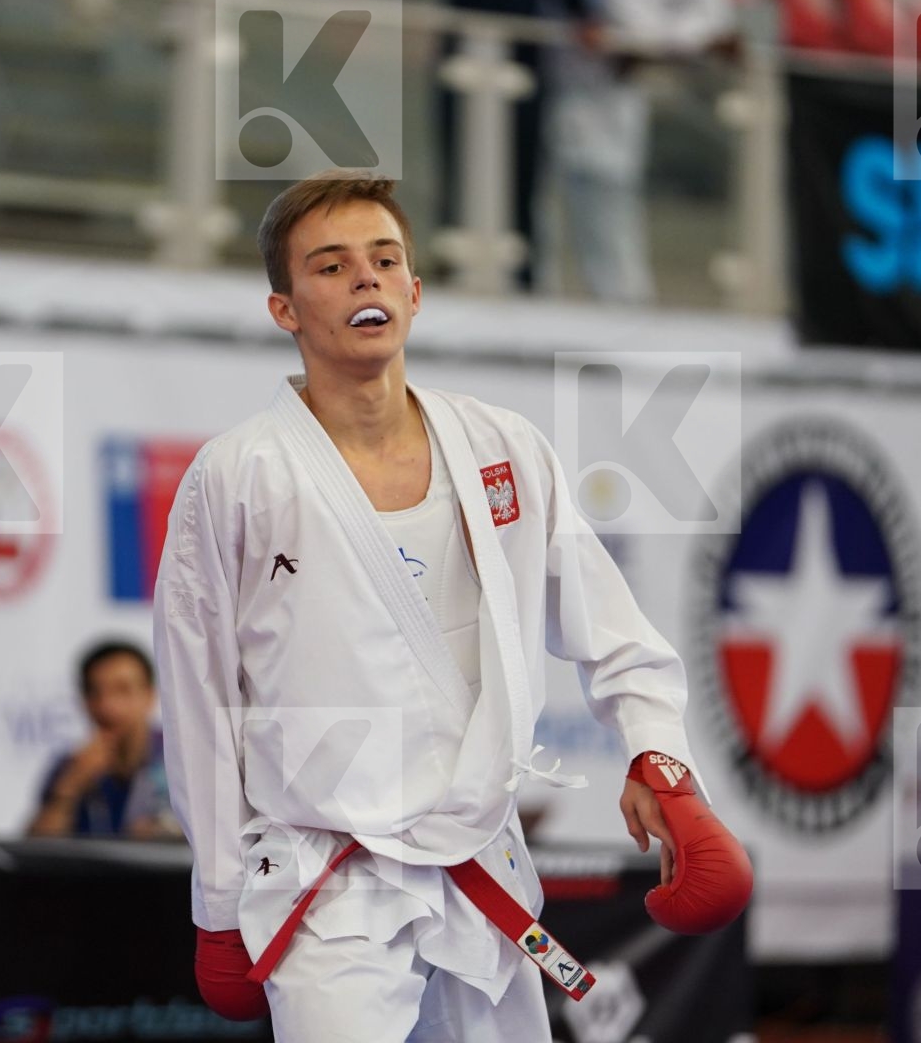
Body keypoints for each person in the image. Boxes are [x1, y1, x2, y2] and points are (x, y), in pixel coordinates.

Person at [153, 173, 751, 1040]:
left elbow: (614, 633)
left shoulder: (502, 447)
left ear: (414, 291)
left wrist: (662, 760)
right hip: (331, 881)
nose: (365, 279)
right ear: (284, 309)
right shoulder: (239, 474)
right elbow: (199, 697)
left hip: (482, 863)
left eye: (384, 259)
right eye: (331, 266)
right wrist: (216, 900)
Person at [543, 0, 735, 303]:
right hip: (575, 73)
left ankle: (622, 295)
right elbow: (623, 11)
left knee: (618, 182)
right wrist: (682, 41)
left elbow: (714, 18)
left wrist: (647, 44)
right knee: (569, 178)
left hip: (627, 83)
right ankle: (549, 287)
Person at [416, 0, 593, 289]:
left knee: (525, 170)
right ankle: (453, 265)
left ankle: (522, 274)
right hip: (463, 58)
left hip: (523, 65)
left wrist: (590, 25)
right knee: (460, 160)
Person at [27, 640, 178, 839]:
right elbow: (36, 851)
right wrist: (69, 789)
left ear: (150, 695)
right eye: (95, 692)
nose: (107, 706)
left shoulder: (180, 762)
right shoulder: (71, 767)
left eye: (122, 690)